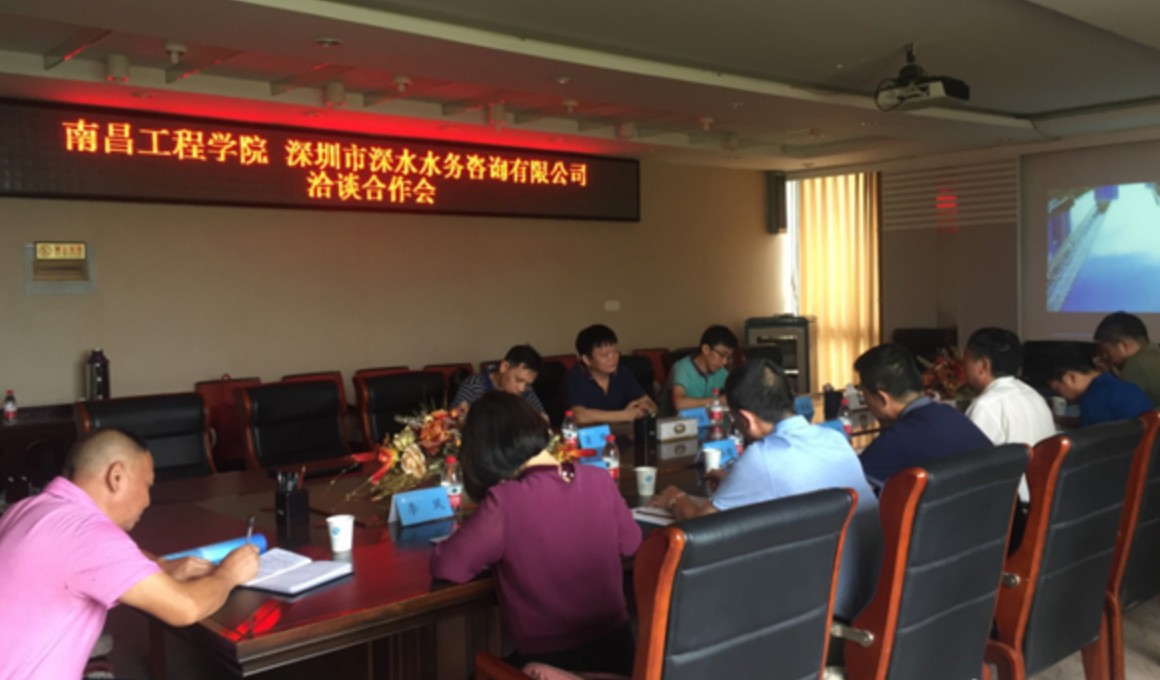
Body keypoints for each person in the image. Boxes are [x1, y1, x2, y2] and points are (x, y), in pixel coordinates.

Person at [0, 429, 260, 680]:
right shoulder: (88, 533)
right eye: (147, 485)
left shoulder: (26, 509)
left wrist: (159, 566)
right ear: (116, 477)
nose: (147, 500)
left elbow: (107, 556)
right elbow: (186, 608)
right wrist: (228, 574)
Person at [650, 359, 881, 621]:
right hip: (867, 594)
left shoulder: (762, 458)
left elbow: (700, 527)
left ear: (746, 419)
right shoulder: (834, 439)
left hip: (819, 610)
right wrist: (735, 482)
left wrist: (675, 498)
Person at [431, 392, 641, 675]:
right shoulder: (599, 479)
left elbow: (449, 566)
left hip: (552, 665)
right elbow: (631, 542)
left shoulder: (505, 500)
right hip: (621, 656)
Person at [854, 344, 992, 489]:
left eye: (864, 394)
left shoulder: (895, 440)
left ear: (882, 398)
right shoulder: (953, 415)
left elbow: (845, 493)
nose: (866, 403)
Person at [963, 328, 1057, 501]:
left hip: (1012, 507)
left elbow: (969, 469)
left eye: (966, 359)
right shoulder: (1033, 394)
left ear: (983, 365)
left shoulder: (986, 406)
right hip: (1044, 499)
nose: (963, 367)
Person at [561, 324, 657, 425]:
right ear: (587, 359)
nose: (612, 358)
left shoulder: (622, 372)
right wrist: (624, 415)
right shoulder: (575, 377)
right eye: (604, 355)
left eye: (615, 352)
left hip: (620, 431)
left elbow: (651, 404)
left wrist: (644, 409)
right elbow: (579, 416)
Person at [1047, 343, 1153, 427]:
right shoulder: (1128, 388)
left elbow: (1092, 439)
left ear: (1071, 378)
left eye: (1057, 388)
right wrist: (1058, 419)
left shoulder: (1093, 399)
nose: (1061, 395)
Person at [658, 324, 738, 416]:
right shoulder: (682, 368)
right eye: (722, 355)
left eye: (728, 358)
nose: (724, 362)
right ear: (706, 349)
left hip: (706, 422)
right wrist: (717, 401)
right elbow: (679, 404)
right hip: (675, 423)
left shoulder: (722, 373)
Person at [452, 344, 546, 416]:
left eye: (527, 384)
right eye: (518, 380)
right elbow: (453, 421)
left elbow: (542, 418)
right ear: (504, 367)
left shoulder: (526, 390)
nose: (521, 389)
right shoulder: (473, 386)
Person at [1094, 311, 1160, 407]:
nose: (1104, 357)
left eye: (1106, 351)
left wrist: (1105, 377)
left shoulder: (1136, 365)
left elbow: (1118, 409)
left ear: (1124, 346)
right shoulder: (1153, 354)